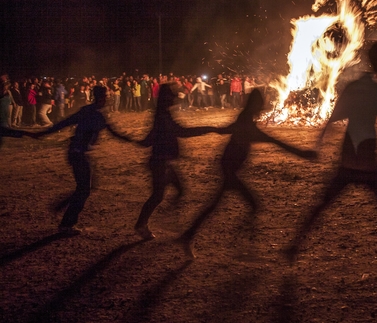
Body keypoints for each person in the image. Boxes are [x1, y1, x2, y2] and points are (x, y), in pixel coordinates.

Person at [284, 42, 377, 276]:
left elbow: (331, 122)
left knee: (323, 203)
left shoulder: (353, 87)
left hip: (348, 158)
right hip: (366, 160)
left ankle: (294, 245)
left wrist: (318, 146)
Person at [177, 88, 316, 259]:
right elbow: (275, 142)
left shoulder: (244, 121)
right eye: (260, 104)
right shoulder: (247, 126)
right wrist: (301, 153)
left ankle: (189, 236)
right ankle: (240, 244)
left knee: (215, 206)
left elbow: (269, 140)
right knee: (252, 204)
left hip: (229, 170)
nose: (262, 107)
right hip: (229, 172)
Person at [34, 86, 133, 235]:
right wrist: (133, 140)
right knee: (84, 189)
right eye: (106, 96)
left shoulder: (89, 111)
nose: (107, 99)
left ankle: (61, 208)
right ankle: (66, 224)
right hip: (79, 155)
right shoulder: (98, 115)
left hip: (76, 153)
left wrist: (44, 133)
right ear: (101, 98)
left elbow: (65, 122)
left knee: (86, 187)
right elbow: (114, 133)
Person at [134, 84, 223, 240]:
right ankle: (142, 224)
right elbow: (181, 132)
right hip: (160, 163)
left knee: (177, 190)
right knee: (158, 195)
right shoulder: (162, 117)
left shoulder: (162, 115)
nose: (173, 100)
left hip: (165, 163)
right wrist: (209, 128)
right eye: (170, 97)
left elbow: (151, 138)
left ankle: (165, 218)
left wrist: (144, 141)